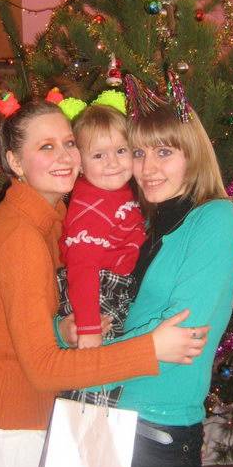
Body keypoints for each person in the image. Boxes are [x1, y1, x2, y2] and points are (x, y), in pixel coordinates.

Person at [0, 100, 209, 467]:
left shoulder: (49, 219)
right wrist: (150, 350)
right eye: (46, 147)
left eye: (69, 143)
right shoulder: (20, 238)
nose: (65, 156)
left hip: (21, 417)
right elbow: (43, 369)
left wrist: (61, 329)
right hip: (7, 428)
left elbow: (14, 321)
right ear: (15, 161)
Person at [87, 101, 233, 467]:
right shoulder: (147, 224)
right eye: (139, 152)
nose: (148, 168)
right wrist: (70, 332)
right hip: (103, 410)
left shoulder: (215, 219)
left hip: (156, 424)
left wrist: (83, 358)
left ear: (193, 154)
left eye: (164, 152)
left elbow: (183, 335)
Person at [59, 103, 145, 349]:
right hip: (96, 295)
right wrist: (88, 328)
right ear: (80, 164)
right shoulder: (90, 206)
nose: (113, 163)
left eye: (121, 150)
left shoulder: (119, 190)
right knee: (105, 368)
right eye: (99, 155)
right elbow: (82, 268)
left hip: (116, 287)